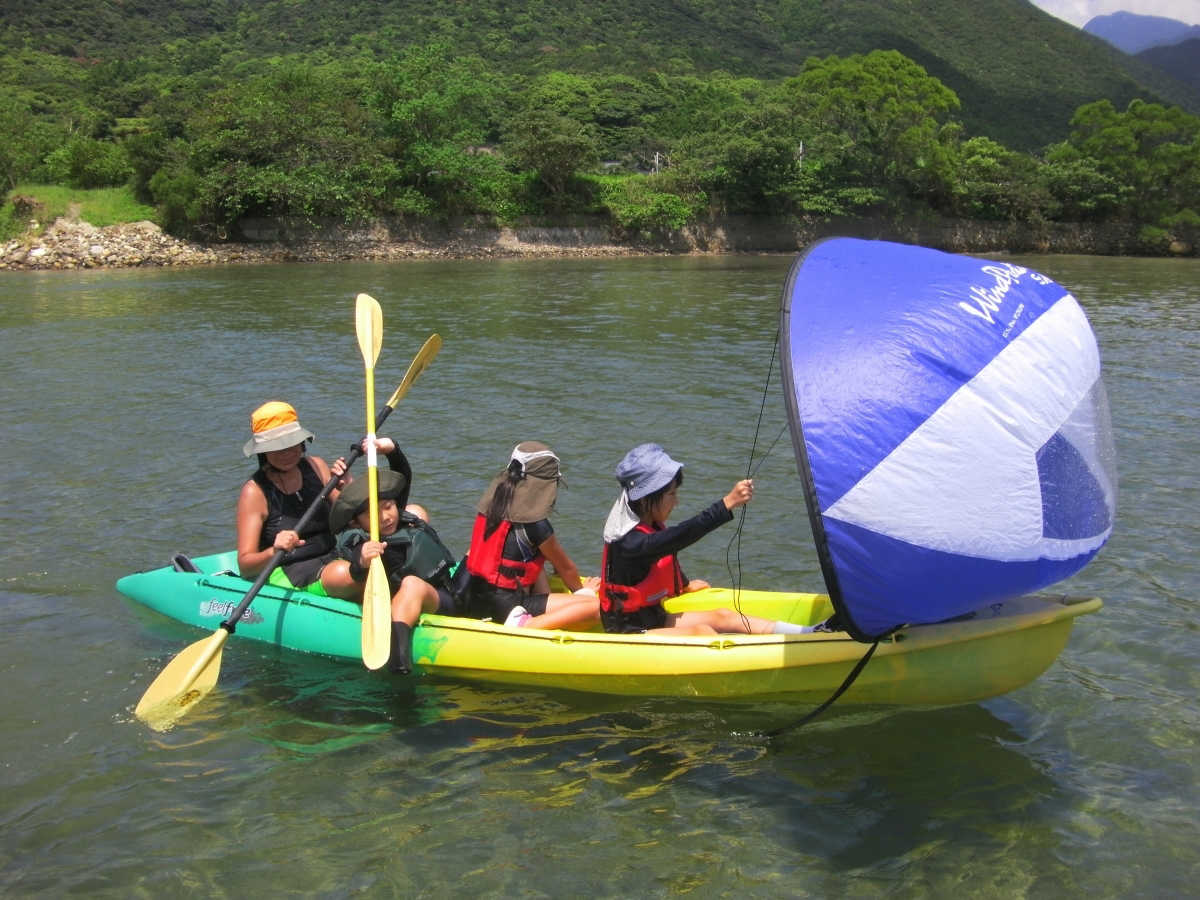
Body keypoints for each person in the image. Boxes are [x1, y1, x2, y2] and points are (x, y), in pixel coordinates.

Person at [599, 442, 828, 636]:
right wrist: (726, 504)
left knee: (725, 616)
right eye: (671, 494)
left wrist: (684, 585)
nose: (676, 502)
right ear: (647, 498)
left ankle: (809, 633)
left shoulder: (647, 524)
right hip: (630, 632)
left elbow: (660, 559)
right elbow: (679, 537)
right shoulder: (631, 543)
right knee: (703, 633)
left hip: (655, 618)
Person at [328, 437, 461, 674]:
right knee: (411, 584)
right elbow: (356, 568)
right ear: (357, 521)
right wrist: (362, 560)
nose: (385, 517)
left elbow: (402, 477)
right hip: (416, 600)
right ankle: (398, 661)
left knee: (419, 512)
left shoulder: (403, 519)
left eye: (388, 506)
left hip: (451, 593)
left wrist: (391, 449)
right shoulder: (361, 540)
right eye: (373, 514)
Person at [463, 441, 600, 630]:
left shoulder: (491, 507)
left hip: (476, 598)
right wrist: (585, 593)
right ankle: (527, 625)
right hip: (508, 608)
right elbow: (566, 568)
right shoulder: (536, 525)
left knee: (536, 563)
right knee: (596, 608)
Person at [235, 401, 358, 599]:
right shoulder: (254, 492)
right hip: (288, 570)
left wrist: (348, 487)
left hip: (333, 555)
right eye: (277, 448)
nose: (287, 454)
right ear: (263, 451)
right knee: (345, 573)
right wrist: (274, 550)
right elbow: (245, 566)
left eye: (292, 444)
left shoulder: (316, 466)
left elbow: (351, 520)